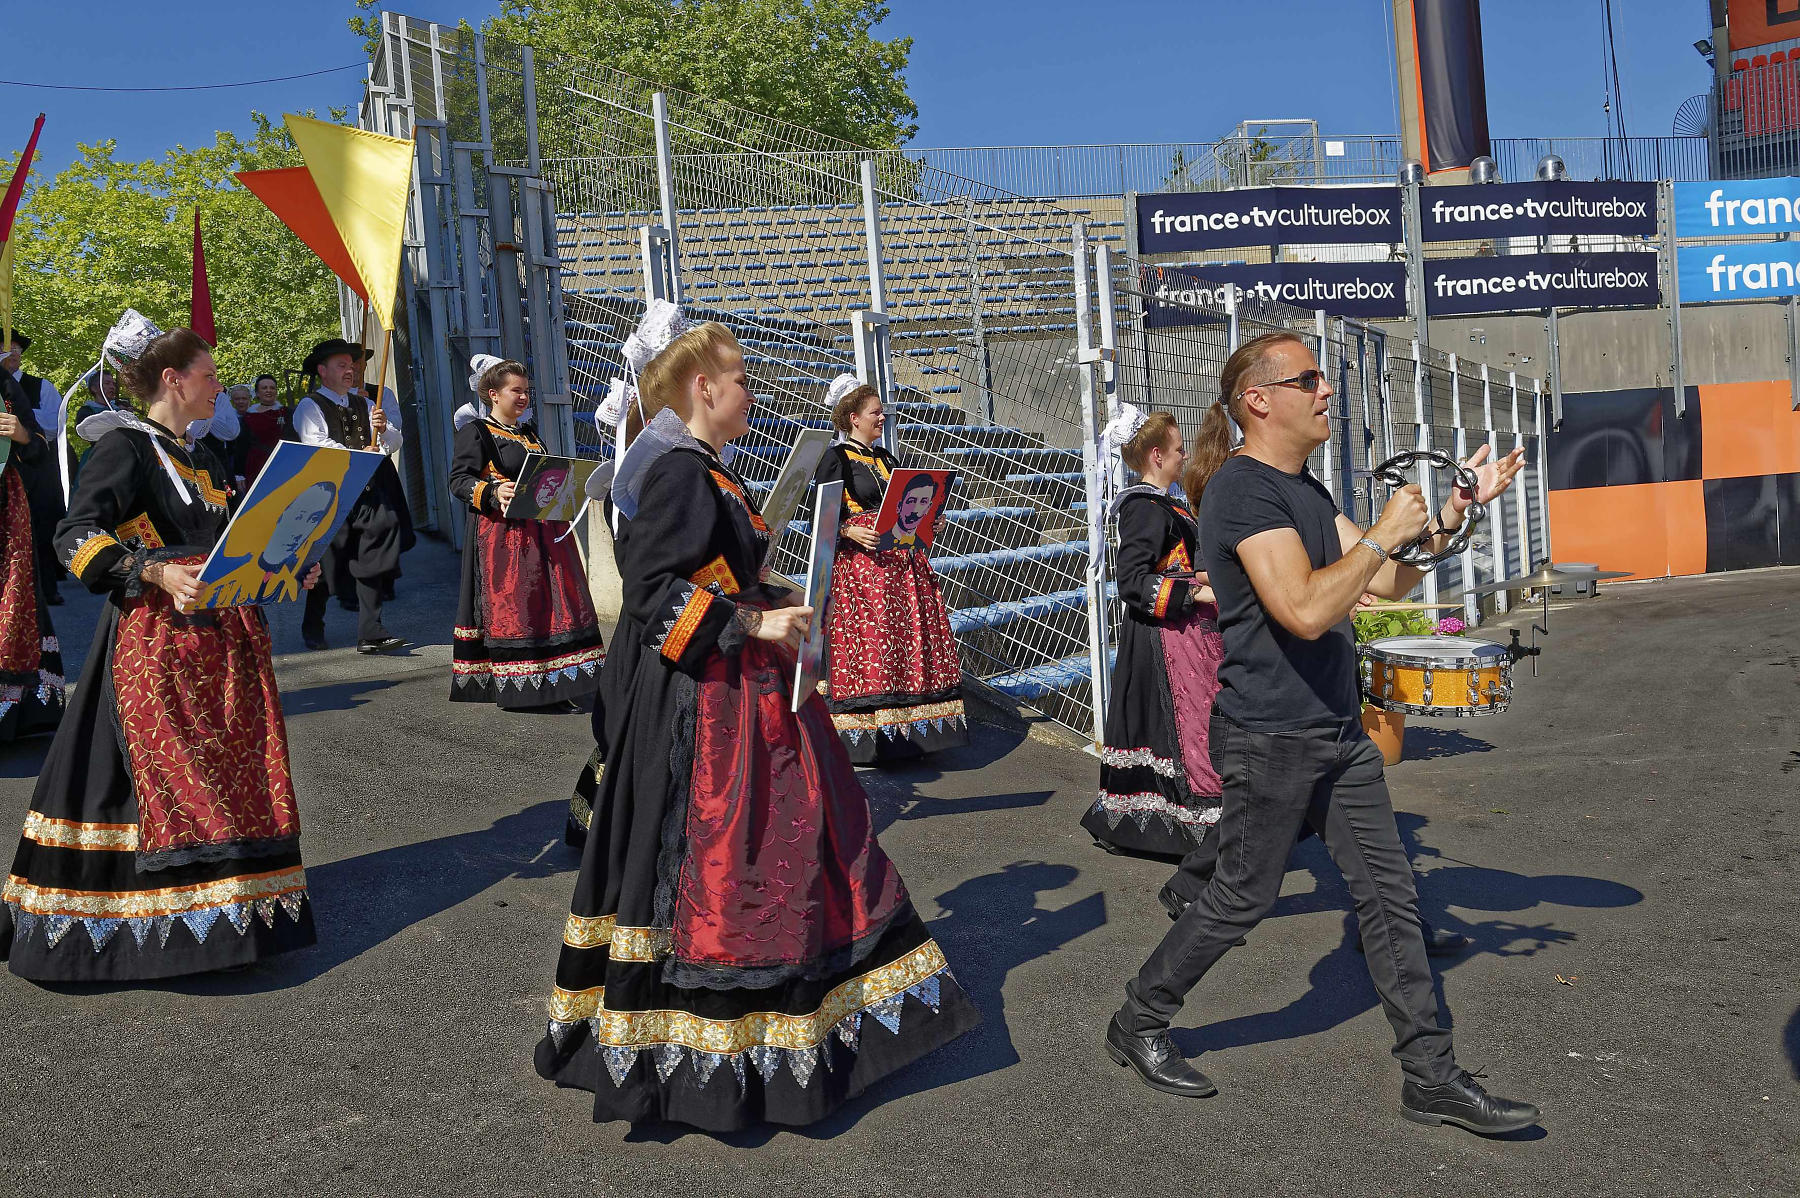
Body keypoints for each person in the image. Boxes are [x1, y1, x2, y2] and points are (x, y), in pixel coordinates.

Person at [535, 304, 978, 1131]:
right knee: (728, 863)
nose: (752, 390)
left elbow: (711, 572)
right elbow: (653, 592)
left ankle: (788, 1028)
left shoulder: (709, 467)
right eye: (741, 379)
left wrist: (766, 596)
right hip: (710, 711)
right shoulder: (676, 469)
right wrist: (750, 621)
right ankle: (716, 1046)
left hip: (747, 697)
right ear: (702, 388)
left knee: (800, 840)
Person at [1104, 331, 1539, 1137]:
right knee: (1241, 896)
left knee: (1390, 896)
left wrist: (1452, 510)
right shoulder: (1239, 491)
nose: (1327, 391)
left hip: (1336, 731)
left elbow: (1382, 583)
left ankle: (1431, 1076)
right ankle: (1139, 1018)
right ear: (1258, 400)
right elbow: (1304, 608)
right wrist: (1380, 528)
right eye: (1311, 379)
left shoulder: (1305, 490)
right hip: (1269, 734)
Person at [0, 313, 317, 982]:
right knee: (160, 778)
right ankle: (149, 928)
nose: (218, 387)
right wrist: (151, 569)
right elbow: (75, 533)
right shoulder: (127, 447)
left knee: (227, 773)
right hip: (158, 644)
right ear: (172, 379)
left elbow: (235, 544)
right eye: (209, 376)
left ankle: (229, 920)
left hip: (227, 642)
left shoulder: (203, 455)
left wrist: (287, 563)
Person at [1080, 411, 1223, 859]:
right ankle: (1177, 824)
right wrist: (1195, 594)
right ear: (1156, 455)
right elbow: (1133, 581)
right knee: (1179, 725)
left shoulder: (1170, 503)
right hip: (1164, 639)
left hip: (1185, 636)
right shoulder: (1143, 507)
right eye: (1179, 449)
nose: (1185, 456)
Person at [812, 374, 968, 764]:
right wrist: (848, 529)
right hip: (862, 568)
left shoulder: (887, 459)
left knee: (904, 637)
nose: (882, 418)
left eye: (882, 412)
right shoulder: (836, 458)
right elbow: (820, 512)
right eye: (874, 413)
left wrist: (929, 518)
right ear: (852, 418)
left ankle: (912, 733)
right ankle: (868, 737)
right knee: (873, 639)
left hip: (900, 564)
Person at [447, 356, 604, 711]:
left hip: (544, 532)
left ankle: (558, 683)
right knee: (521, 606)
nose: (523, 397)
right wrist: (491, 492)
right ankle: (526, 689)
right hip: (505, 538)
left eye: (526, 391)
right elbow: (457, 481)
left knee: (550, 606)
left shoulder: (529, 433)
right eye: (515, 391)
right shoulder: (477, 432)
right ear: (493, 394)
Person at [294, 338, 410, 654]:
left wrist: (384, 429)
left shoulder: (367, 403)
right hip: (329, 497)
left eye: (352, 365)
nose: (351, 371)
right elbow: (319, 446)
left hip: (367, 494)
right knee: (325, 563)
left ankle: (371, 631)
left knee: (375, 549)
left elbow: (394, 443)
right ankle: (313, 625)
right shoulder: (310, 406)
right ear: (323, 371)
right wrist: (359, 454)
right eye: (342, 365)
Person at [0, 370, 66, 742]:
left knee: (10, 598)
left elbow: (39, 446)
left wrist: (21, 433)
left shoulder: (3, 382)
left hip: (2, 510)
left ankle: (13, 712)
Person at [5, 331, 69, 604]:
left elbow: (55, 426)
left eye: (17, 348)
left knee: (39, 525)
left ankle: (46, 587)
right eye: (7, 347)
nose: (13, 352)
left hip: (33, 467)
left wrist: (22, 419)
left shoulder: (40, 386)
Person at [236, 374, 290, 486]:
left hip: (283, 465)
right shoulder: (249, 417)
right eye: (264, 388)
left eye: (272, 388)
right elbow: (242, 446)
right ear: (257, 393)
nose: (268, 391)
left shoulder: (287, 413)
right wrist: (239, 473)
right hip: (256, 467)